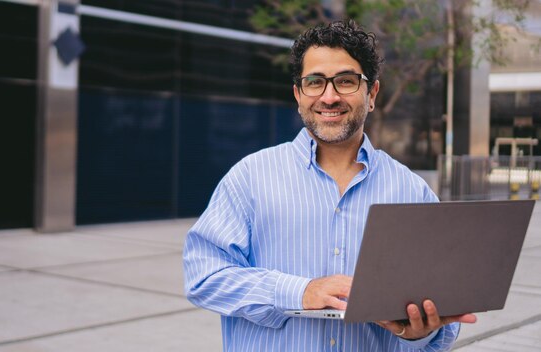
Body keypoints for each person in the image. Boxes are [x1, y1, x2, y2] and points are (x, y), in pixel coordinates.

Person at [183, 20, 476, 351]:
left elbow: (441, 304)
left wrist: (422, 332)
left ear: (372, 93)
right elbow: (204, 277)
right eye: (315, 82)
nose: (330, 96)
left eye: (346, 81)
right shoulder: (249, 178)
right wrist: (299, 291)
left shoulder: (412, 190)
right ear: (298, 94)